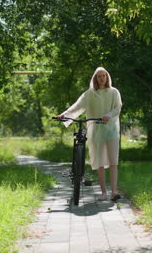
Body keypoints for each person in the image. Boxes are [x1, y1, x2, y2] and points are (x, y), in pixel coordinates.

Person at [56, 67, 123, 202]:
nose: (101, 78)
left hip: (111, 130)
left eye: (103, 76)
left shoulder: (114, 92)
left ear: (107, 77)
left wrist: (108, 115)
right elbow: (77, 106)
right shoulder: (90, 93)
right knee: (99, 162)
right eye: (99, 76)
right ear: (95, 78)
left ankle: (114, 192)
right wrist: (64, 115)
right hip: (96, 130)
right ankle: (104, 193)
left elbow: (117, 108)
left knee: (113, 161)